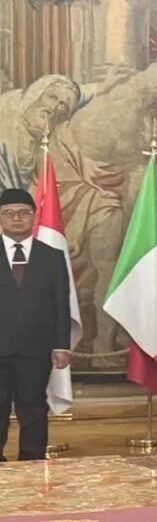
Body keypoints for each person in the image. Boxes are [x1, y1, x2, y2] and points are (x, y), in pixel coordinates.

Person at [0, 188, 70, 461]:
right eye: (8, 213)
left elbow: (61, 303)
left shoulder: (52, 256)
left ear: (34, 216)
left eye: (23, 213)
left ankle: (32, 462)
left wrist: (62, 345)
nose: (16, 219)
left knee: (33, 408)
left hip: (36, 348)